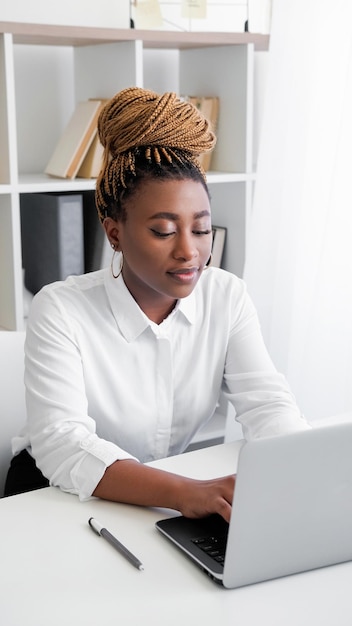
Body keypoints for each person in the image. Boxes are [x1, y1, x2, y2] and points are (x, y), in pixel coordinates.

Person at [5, 87, 309, 521]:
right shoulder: (61, 308)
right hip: (54, 493)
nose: (190, 252)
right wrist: (186, 493)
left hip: (155, 496)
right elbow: (62, 444)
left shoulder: (226, 296)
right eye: (164, 232)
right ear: (114, 233)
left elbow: (267, 404)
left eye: (201, 230)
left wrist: (301, 470)